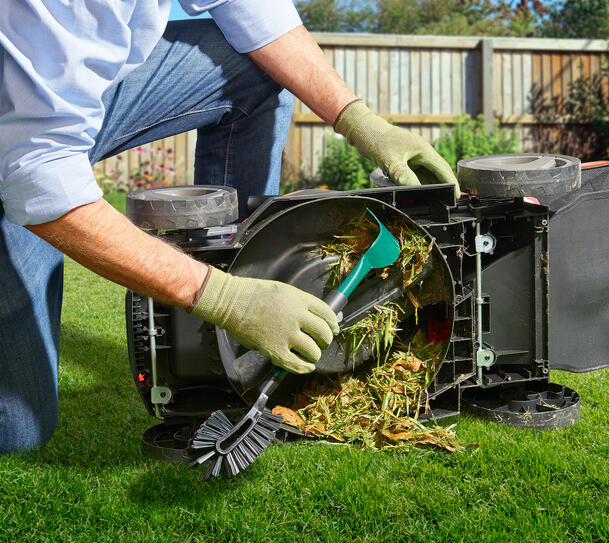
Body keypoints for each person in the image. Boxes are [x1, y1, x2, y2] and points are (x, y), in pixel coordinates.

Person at [0, 1, 460, 454]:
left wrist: (361, 122)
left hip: (79, 89)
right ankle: (232, 304)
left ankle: (229, 348)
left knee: (262, 70)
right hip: (18, 126)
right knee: (19, 433)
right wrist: (224, 298)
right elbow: (38, 176)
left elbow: (255, 11)